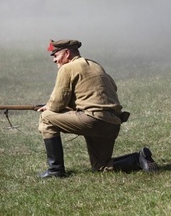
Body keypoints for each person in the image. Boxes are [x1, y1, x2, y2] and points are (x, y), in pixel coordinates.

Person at [37, 39, 158, 178]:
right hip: (112, 123)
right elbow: (112, 87)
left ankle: (55, 170)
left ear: (67, 53)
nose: (54, 60)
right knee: (101, 166)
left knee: (46, 118)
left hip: (92, 120)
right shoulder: (95, 65)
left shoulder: (67, 68)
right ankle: (138, 159)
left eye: (55, 55)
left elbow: (57, 103)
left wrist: (48, 107)